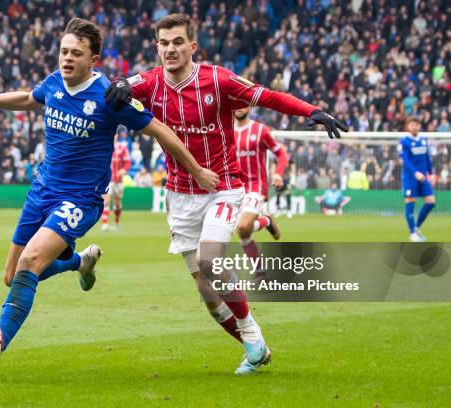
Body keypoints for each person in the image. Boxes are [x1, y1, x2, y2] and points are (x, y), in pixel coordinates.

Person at [0, 17, 218, 377]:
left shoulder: (108, 98)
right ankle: (77, 263)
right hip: (41, 191)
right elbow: (26, 98)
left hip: (80, 200)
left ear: (94, 60)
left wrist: (195, 169)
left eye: (76, 53)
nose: (66, 59)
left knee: (29, 264)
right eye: (63, 51)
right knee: (12, 276)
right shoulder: (53, 84)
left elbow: (159, 128)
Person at [105, 14, 347, 375]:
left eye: (177, 42)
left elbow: (267, 96)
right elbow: (113, 87)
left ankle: (251, 332)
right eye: (164, 43)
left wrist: (310, 110)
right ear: (157, 47)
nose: (170, 49)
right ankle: (256, 347)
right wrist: (118, 84)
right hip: (179, 197)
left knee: (210, 259)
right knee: (207, 292)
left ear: (192, 45)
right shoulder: (151, 83)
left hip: (222, 187)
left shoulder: (217, 79)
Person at [233, 107, 288, 282]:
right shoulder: (225, 130)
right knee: (243, 232)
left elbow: (281, 152)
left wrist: (278, 172)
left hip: (256, 187)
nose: (239, 108)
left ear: (249, 106)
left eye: (243, 104)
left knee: (242, 226)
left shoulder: (261, 130)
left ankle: (267, 220)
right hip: (234, 188)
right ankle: (260, 271)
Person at [398, 117, 436, 242]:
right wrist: (415, 173)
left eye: (417, 124)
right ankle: (412, 233)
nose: (415, 126)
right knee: (410, 203)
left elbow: (427, 158)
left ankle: (416, 227)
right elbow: (405, 161)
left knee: (431, 202)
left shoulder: (424, 140)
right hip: (410, 178)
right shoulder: (403, 142)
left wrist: (431, 173)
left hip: (424, 177)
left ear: (420, 126)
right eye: (412, 124)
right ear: (408, 126)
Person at [101, 134, 131, 231]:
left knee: (117, 203)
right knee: (106, 200)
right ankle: (104, 224)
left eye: (115, 135)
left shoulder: (122, 147)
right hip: (108, 180)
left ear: (117, 136)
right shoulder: (104, 147)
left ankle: (116, 223)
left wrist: (123, 170)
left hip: (118, 180)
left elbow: (128, 163)